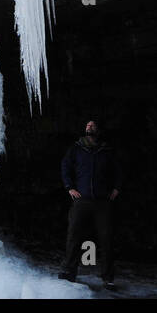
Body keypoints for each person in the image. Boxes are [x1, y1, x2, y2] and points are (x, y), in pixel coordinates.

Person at [58, 119, 121, 288]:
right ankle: (68, 271)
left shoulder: (107, 150)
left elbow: (118, 169)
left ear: (98, 130)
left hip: (102, 201)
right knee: (74, 235)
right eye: (87, 125)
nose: (89, 127)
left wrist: (116, 187)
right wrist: (69, 187)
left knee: (107, 238)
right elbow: (65, 166)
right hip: (82, 200)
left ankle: (108, 277)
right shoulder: (76, 149)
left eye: (92, 125)